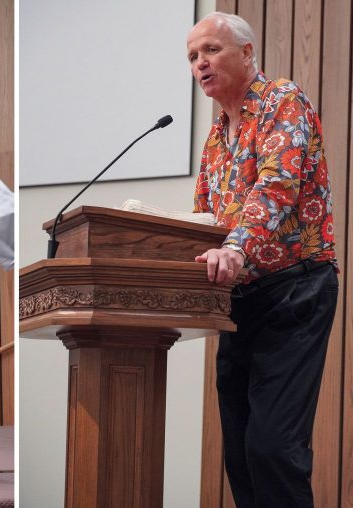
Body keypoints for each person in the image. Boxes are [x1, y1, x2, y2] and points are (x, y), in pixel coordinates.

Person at [189, 13, 338, 507]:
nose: (200, 63)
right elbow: (204, 218)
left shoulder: (282, 100)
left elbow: (277, 184)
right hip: (238, 301)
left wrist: (234, 247)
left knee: (274, 448)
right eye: (192, 57)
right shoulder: (214, 138)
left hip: (294, 292)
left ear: (247, 53)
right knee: (241, 451)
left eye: (210, 50)